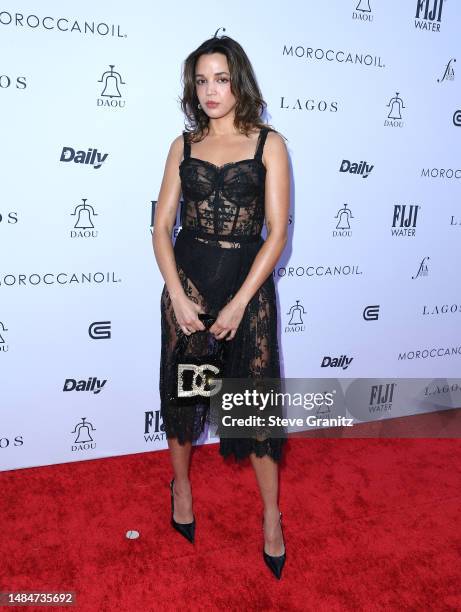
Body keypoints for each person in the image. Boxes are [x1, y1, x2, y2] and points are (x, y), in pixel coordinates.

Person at [152, 34, 290, 579]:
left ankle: (272, 518)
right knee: (187, 400)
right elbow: (162, 227)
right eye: (201, 81)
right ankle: (181, 487)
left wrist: (237, 304)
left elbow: (276, 233)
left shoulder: (269, 144)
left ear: (239, 81)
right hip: (188, 287)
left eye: (221, 79)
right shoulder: (182, 146)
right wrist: (180, 296)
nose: (210, 91)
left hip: (247, 293)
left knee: (253, 411)